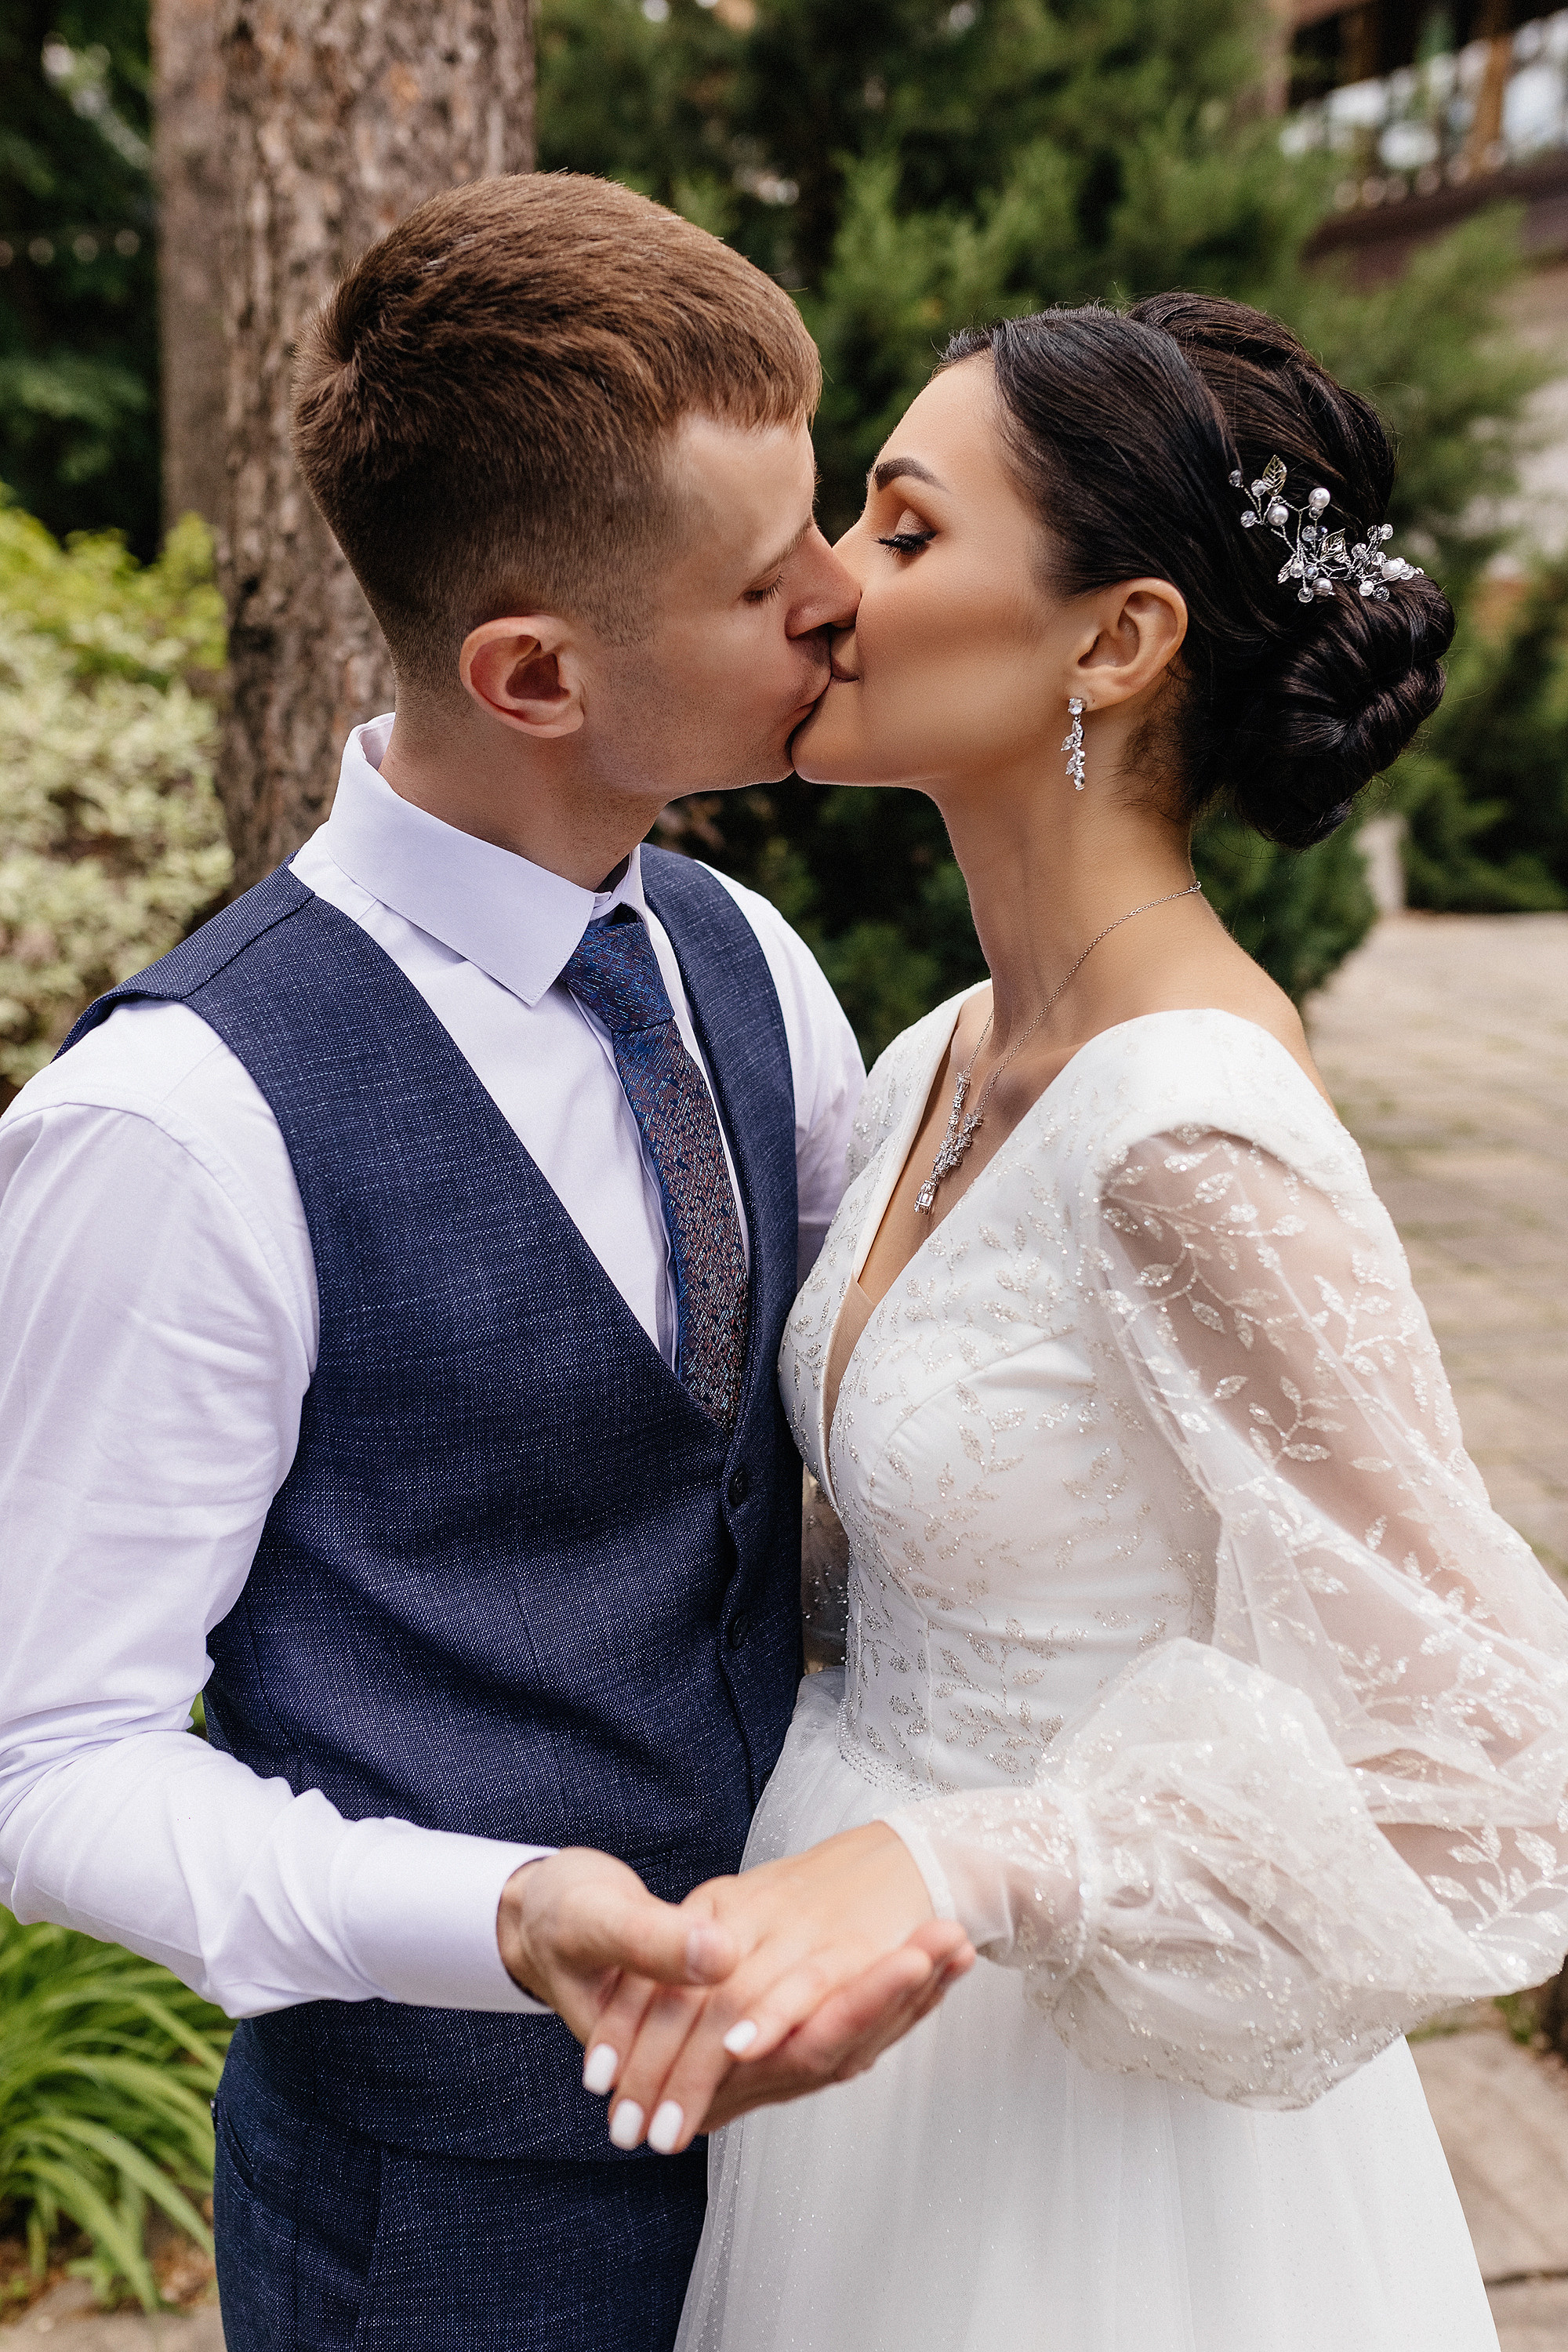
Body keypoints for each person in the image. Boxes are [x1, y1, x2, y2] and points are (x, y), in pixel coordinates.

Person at [0, 175, 973, 2352]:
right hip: (440, 2229)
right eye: (764, 575)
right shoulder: (178, 1128)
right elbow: (45, 1764)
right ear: (532, 670)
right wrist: (496, 1912)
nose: (841, 602)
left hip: (837, 2172)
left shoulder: (748, 961)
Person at [584, 297, 1568, 2350]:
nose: (832, 581)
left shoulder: (1188, 1123)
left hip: (1076, 2134)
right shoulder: (944, 1049)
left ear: (1117, 643)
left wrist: (977, 1867)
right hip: (844, 2093)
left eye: (910, 528)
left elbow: (1490, 1768)